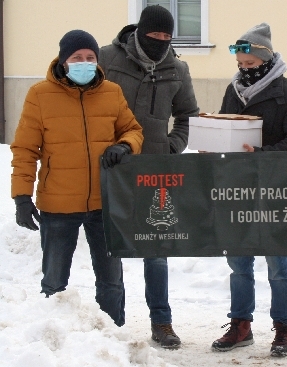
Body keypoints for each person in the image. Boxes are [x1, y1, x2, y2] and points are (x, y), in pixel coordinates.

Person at [10, 29, 144, 327]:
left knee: (111, 280)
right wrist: (21, 196)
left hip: (104, 201)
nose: (84, 63)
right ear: (64, 60)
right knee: (54, 281)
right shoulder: (40, 96)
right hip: (58, 204)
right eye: (77, 57)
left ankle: (113, 337)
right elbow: (25, 149)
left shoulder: (111, 92)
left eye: (90, 57)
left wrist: (124, 146)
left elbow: (133, 130)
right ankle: (53, 340)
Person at [98, 5, 199, 348]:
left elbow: (188, 116)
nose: (160, 41)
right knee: (113, 245)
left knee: (156, 248)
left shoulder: (177, 69)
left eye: (167, 37)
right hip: (114, 168)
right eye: (155, 35)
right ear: (141, 32)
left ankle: (162, 321)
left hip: (156, 170)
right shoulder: (107, 57)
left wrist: (173, 146)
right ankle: (114, 320)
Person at [210, 22, 287, 357]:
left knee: (277, 264)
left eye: (250, 64)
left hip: (275, 188)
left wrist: (262, 155)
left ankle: (284, 326)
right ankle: (241, 324)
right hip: (237, 188)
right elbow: (225, 130)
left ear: (265, 58)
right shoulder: (233, 90)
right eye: (240, 65)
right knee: (238, 262)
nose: (244, 70)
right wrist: (212, 143)